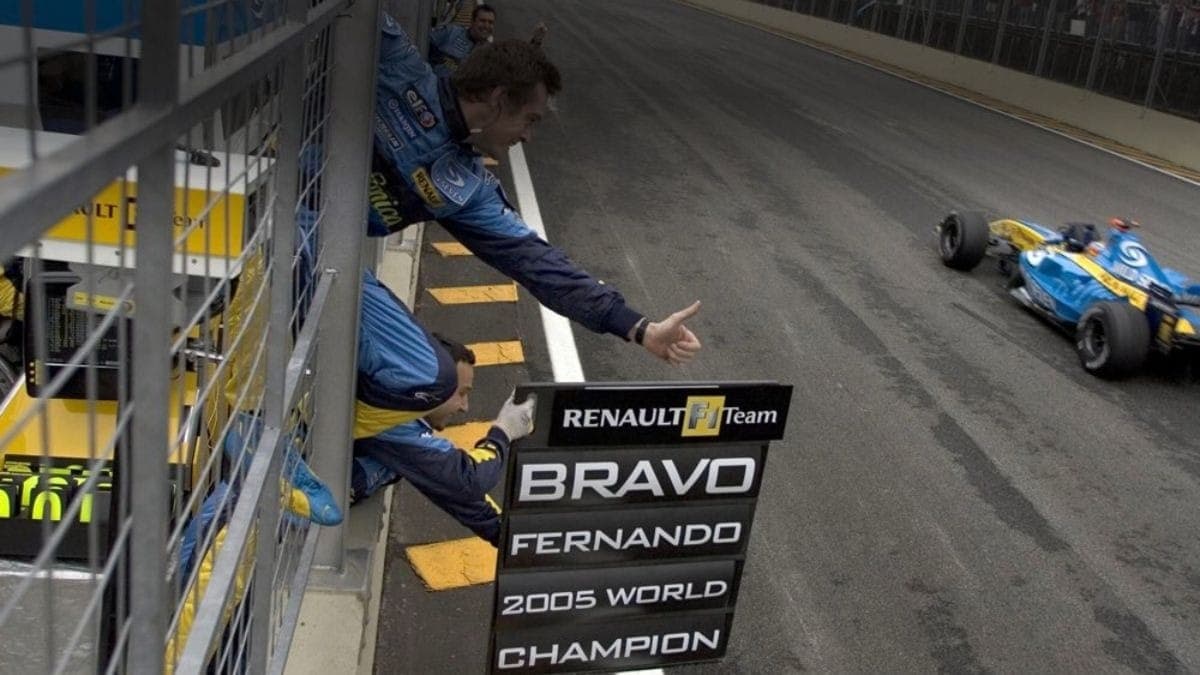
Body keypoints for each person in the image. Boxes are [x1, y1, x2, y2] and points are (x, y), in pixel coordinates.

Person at [369, 16, 702, 366]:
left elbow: (539, 264)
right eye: (530, 119)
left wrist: (640, 328)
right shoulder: (397, 63)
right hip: (307, 207)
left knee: (428, 375)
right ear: (498, 98)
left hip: (321, 244)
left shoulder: (467, 190)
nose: (528, 137)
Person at [349, 335, 536, 546]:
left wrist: (509, 538)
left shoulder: (400, 413)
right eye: (461, 393)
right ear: (434, 386)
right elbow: (467, 480)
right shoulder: (391, 422)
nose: (465, 406)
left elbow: (450, 489)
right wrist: (503, 433)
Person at [427, 4, 548, 76]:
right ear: (472, 21)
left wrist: (535, 42)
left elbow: (517, 65)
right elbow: (423, 43)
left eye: (490, 22)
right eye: (482, 21)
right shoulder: (451, 32)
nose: (486, 26)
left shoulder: (492, 52)